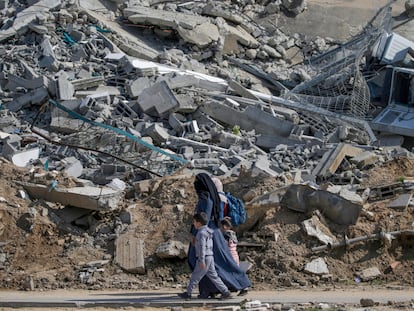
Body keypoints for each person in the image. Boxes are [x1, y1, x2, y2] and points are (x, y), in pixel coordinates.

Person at [187, 173, 251, 298]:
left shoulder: (206, 198)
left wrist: (195, 234)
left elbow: (203, 218)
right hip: (214, 233)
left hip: (207, 234)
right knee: (218, 263)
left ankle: (232, 285)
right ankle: (211, 290)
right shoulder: (214, 197)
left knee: (210, 262)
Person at [178, 212, 232, 300]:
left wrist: (201, 260)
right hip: (210, 256)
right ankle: (226, 292)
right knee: (214, 276)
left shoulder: (201, 233)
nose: (194, 223)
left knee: (195, 276)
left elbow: (202, 247)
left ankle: (188, 293)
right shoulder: (208, 231)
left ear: (199, 223)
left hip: (204, 257)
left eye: (195, 222)